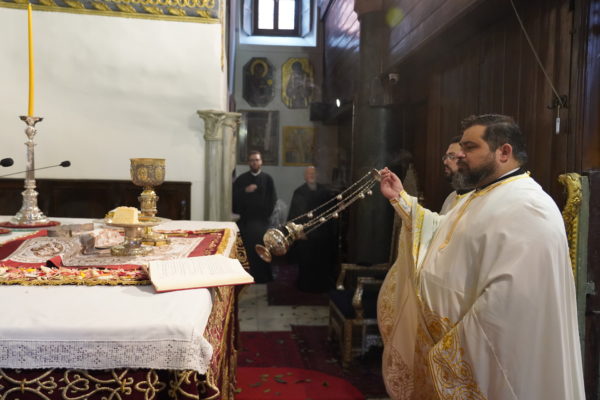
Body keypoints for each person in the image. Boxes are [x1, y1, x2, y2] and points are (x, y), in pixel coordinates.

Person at [376, 114, 584, 399]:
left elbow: (512, 301)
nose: (460, 155)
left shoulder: (529, 206)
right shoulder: (481, 195)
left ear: (504, 152)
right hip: (442, 337)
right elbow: (443, 233)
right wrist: (402, 200)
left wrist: (456, 347)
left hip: (484, 358)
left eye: (470, 147)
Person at [287, 166, 337, 292]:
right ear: (305, 176)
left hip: (322, 234)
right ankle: (306, 286)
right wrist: (298, 231)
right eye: (309, 173)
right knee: (306, 261)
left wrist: (338, 205)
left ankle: (321, 286)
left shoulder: (324, 192)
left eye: (313, 173)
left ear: (317, 175)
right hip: (306, 234)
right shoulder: (299, 192)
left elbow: (330, 210)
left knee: (321, 261)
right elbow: (294, 214)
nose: (311, 175)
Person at [233, 151, 277, 283]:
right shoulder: (241, 179)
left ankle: (263, 277)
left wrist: (265, 215)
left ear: (261, 162)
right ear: (248, 162)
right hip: (246, 221)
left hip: (262, 222)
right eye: (252, 160)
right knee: (247, 250)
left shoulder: (268, 179)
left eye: (257, 160)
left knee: (263, 249)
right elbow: (233, 197)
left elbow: (272, 199)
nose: (254, 162)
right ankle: (247, 276)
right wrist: (245, 191)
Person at [440, 135, 473, 214]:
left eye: (451, 156)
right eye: (446, 157)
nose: (445, 162)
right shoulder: (451, 197)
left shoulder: (479, 198)